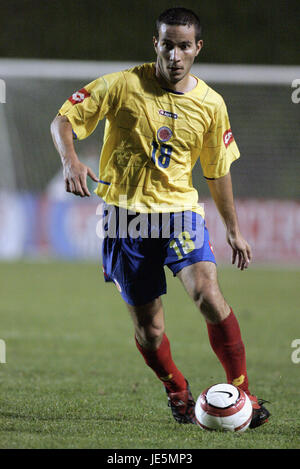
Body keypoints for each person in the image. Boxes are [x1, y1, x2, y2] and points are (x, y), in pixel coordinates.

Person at [50, 7, 270, 428]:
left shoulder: (211, 104)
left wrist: (234, 230)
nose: (174, 54)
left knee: (207, 293)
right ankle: (177, 390)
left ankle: (242, 391)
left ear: (197, 48)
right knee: (150, 332)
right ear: (156, 43)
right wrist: (70, 160)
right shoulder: (121, 85)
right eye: (167, 44)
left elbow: (216, 170)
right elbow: (63, 120)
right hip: (125, 220)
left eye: (184, 46)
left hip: (179, 215)